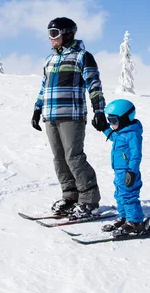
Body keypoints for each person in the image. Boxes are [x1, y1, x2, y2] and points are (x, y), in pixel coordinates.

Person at [31, 17, 108, 219]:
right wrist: (37, 109)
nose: (50, 38)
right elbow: (43, 87)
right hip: (51, 116)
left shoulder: (83, 57)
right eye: (49, 33)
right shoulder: (50, 59)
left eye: (54, 33)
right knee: (59, 159)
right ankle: (71, 196)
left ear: (67, 34)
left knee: (74, 157)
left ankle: (89, 200)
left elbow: (94, 84)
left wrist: (99, 111)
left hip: (72, 116)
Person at [100, 99, 148, 235]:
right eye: (109, 120)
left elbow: (136, 155)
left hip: (128, 171)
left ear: (125, 118)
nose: (111, 124)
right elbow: (114, 138)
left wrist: (132, 171)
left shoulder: (133, 134)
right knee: (120, 195)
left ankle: (136, 222)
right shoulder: (121, 132)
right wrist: (104, 128)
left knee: (129, 196)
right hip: (119, 171)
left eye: (113, 120)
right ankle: (124, 217)